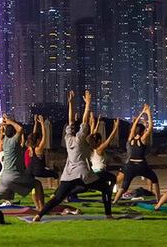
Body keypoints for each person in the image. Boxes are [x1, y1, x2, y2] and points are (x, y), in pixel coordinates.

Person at [33, 90, 114, 222]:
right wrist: (88, 104)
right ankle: (108, 215)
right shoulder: (81, 138)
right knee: (105, 188)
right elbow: (84, 119)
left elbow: (70, 120)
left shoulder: (67, 138)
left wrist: (70, 102)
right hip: (83, 174)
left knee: (57, 198)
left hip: (68, 174)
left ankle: (39, 215)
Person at [113, 104, 159, 203]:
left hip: (130, 165)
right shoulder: (142, 139)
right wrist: (148, 113)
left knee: (124, 186)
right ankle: (158, 200)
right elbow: (150, 127)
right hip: (141, 165)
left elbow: (133, 128)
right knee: (154, 179)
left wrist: (141, 114)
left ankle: (115, 201)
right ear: (143, 132)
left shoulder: (130, 139)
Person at [25, 115, 58, 179]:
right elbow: (44, 135)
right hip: (39, 171)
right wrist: (42, 123)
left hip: (31, 170)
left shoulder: (30, 148)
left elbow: (33, 136)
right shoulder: (39, 149)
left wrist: (36, 123)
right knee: (55, 174)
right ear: (37, 140)